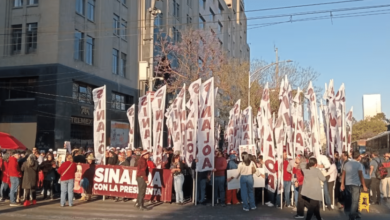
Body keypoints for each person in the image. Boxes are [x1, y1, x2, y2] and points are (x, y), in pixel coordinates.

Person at [341, 151, 368, 220]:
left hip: (348, 184)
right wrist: (364, 186)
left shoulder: (346, 164)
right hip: (356, 184)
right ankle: (352, 215)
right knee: (355, 201)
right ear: (359, 157)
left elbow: (343, 174)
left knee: (349, 199)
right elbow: (361, 175)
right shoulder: (359, 165)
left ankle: (351, 213)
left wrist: (342, 184)